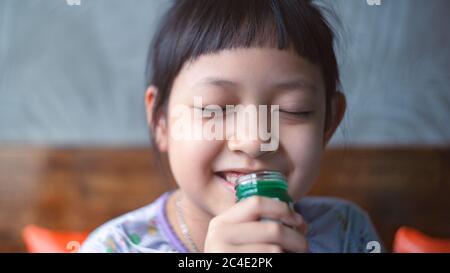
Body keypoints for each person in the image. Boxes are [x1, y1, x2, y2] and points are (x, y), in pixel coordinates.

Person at [80, 0, 383, 253]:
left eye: (293, 109)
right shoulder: (113, 247)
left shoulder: (348, 234)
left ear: (329, 122)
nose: (254, 140)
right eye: (215, 108)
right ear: (161, 120)